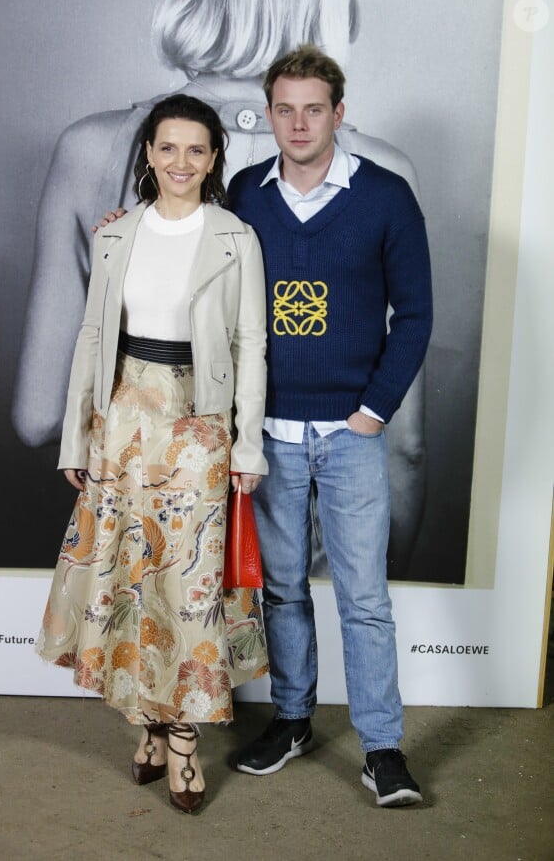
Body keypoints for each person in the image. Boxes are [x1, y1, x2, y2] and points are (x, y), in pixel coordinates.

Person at [12, 0, 425, 579]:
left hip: (149, 536)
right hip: (308, 541)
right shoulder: (382, 174)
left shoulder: (90, 149)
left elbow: (36, 418)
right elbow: (404, 450)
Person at [35, 94, 269, 815]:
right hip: (122, 426)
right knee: (130, 581)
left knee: (187, 587)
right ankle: (143, 723)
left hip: (198, 429)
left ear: (214, 159)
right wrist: (79, 435)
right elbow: (90, 338)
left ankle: (184, 741)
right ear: (147, 154)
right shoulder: (116, 236)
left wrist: (247, 443)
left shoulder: (236, 237)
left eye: (196, 150)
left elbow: (251, 346)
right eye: (167, 148)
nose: (180, 162)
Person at [225, 46, 433, 807]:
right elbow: (193, 259)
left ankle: (382, 748)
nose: (300, 122)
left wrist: (372, 411)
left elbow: (414, 315)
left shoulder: (385, 196)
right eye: (286, 108)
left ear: (339, 113)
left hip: (352, 433)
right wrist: (127, 229)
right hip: (269, 432)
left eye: (315, 108)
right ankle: (291, 719)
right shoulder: (246, 193)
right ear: (271, 113)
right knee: (282, 591)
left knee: (364, 598)